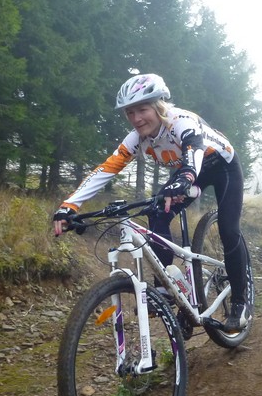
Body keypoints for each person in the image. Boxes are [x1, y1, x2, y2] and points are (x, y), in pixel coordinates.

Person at [52, 73, 250, 332]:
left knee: (228, 228)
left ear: (158, 106)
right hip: (187, 171)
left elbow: (194, 149)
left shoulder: (181, 121)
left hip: (222, 167)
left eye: (142, 110)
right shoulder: (136, 139)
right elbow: (106, 169)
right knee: (157, 213)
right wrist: (70, 206)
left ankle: (240, 302)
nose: (136, 119)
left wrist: (186, 178)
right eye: (129, 113)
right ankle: (167, 287)